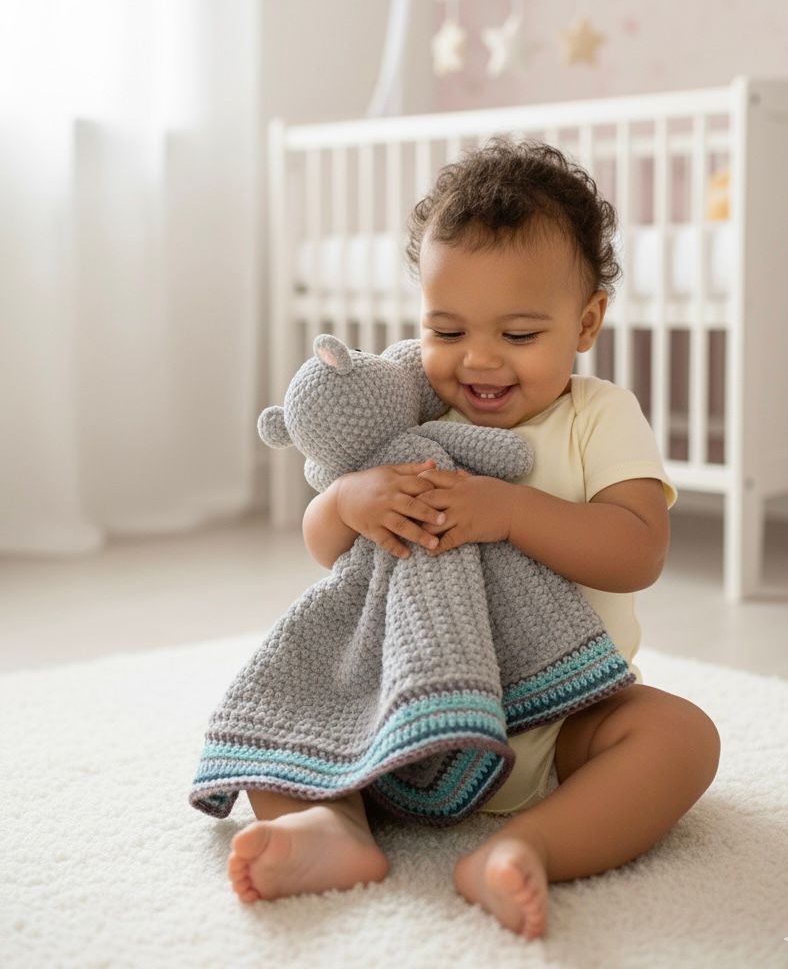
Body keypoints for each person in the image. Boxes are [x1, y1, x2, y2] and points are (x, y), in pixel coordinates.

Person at [227, 139, 721, 940]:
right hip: (411, 705)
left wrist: (510, 511)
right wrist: (350, 500)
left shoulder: (598, 416)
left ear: (586, 320)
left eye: (520, 335)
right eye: (447, 330)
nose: (479, 360)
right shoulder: (412, 413)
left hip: (566, 717)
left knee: (681, 737)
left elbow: (638, 549)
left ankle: (526, 845)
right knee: (286, 712)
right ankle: (335, 829)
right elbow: (328, 554)